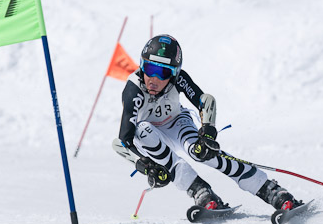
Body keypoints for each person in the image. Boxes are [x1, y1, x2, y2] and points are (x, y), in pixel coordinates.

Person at [113, 34, 302, 212]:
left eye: (162, 72)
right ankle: (200, 191)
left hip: (177, 122)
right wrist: (144, 165)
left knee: (200, 152)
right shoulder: (133, 90)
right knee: (144, 132)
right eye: (150, 69)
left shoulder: (179, 79)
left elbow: (206, 100)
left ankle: (269, 189)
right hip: (151, 134)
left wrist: (207, 131)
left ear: (174, 73)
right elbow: (122, 141)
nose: (153, 79)